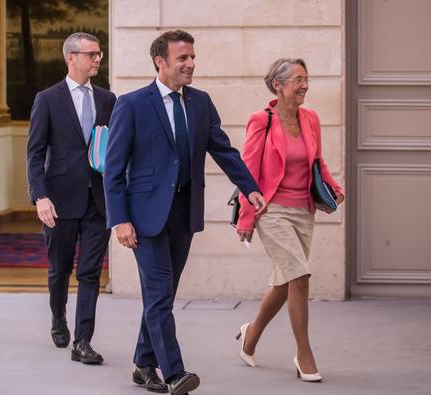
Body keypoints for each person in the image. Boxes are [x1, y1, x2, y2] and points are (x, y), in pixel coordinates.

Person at [104, 30, 267, 395]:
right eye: (182, 58)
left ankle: (143, 364)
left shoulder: (200, 102)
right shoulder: (131, 104)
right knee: (160, 291)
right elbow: (113, 170)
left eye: (192, 57)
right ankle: (174, 372)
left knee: (163, 294)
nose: (190, 64)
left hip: (184, 211)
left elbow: (222, 150)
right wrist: (120, 219)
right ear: (160, 62)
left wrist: (250, 188)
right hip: (143, 215)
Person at [235, 58, 344, 382]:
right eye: (298, 79)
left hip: (303, 211)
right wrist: (247, 217)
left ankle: (251, 335)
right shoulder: (261, 121)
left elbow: (317, 162)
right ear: (278, 85)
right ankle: (304, 353)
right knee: (300, 276)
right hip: (272, 211)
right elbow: (247, 172)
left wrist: (334, 188)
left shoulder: (310, 119)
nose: (304, 85)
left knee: (284, 283)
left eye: (306, 79)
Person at [26, 32, 116, 365]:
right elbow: (34, 153)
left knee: (90, 272)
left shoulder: (109, 100)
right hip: (59, 199)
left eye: (99, 54)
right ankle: (58, 319)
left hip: (98, 200)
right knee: (60, 269)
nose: (96, 59)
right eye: (91, 54)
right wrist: (40, 196)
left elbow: (116, 151)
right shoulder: (47, 99)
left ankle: (83, 341)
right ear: (71, 58)